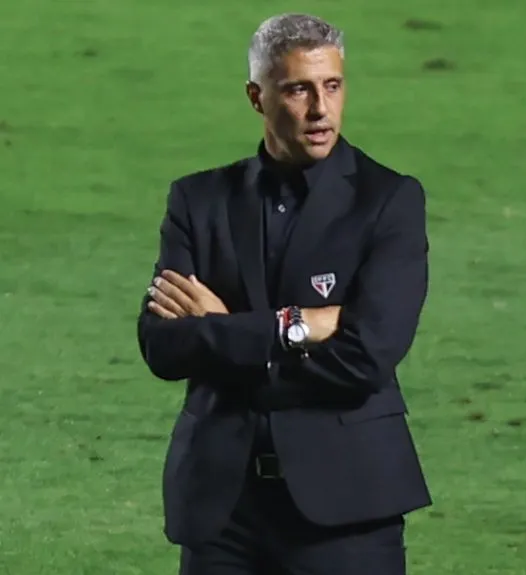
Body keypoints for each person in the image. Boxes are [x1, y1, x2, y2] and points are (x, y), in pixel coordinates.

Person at [136, 12, 431, 575]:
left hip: (347, 510)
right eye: (298, 89)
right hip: (224, 511)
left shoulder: (389, 201)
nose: (320, 109)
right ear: (257, 96)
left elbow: (365, 359)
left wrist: (225, 332)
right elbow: (162, 346)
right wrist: (296, 325)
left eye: (333, 86)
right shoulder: (199, 201)